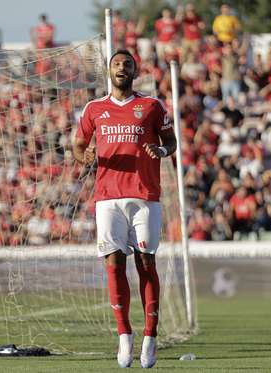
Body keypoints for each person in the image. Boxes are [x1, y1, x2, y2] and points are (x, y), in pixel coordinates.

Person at [72, 50, 176, 368]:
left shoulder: (152, 106)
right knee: (114, 264)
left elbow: (171, 142)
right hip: (107, 198)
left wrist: (161, 149)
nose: (122, 67)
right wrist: (84, 156)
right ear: (109, 71)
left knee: (146, 262)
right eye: (117, 64)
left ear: (134, 72)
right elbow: (78, 145)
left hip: (145, 195)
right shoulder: (94, 109)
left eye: (127, 64)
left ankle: (150, 337)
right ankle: (124, 336)